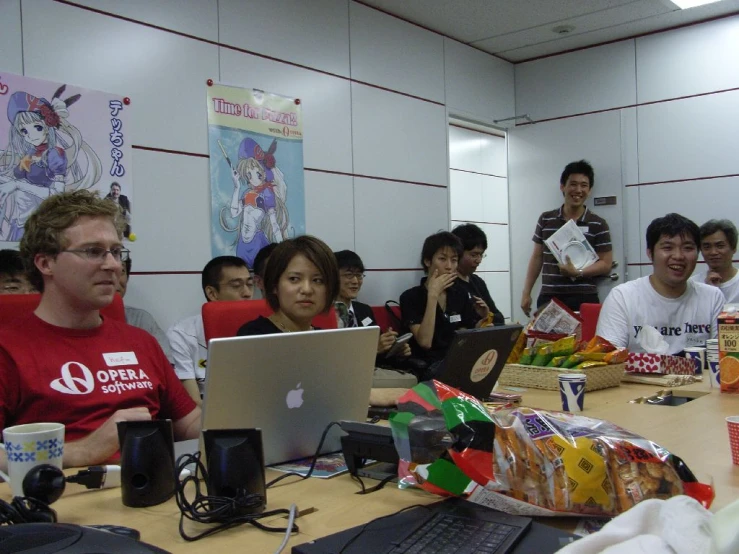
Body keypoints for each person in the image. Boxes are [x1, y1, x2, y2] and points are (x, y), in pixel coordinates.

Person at [0, 190, 199, 471]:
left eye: (116, 252)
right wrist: (83, 451)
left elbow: (188, 423)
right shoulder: (8, 350)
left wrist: (248, 415)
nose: (113, 265)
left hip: (155, 491)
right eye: (93, 251)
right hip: (65, 500)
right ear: (45, 263)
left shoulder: (140, 342)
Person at [596, 213, 724, 354]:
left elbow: (725, 358)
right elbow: (607, 359)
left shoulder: (713, 298)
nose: (678, 256)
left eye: (687, 248)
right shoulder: (623, 297)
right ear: (650, 253)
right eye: (667, 248)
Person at [0, 87, 101, 241]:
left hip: (43, 225)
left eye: (37, 127)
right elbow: (16, 177)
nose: (30, 135)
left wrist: (18, 185)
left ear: (47, 128)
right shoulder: (30, 155)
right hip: (22, 222)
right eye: (24, 131)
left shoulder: (55, 154)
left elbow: (56, 194)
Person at [520, 160, 612, 316]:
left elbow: (606, 263)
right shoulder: (546, 219)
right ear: (562, 186)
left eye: (584, 185)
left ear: (589, 190)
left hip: (585, 298)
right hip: (550, 296)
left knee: (583, 341)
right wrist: (526, 292)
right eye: (573, 184)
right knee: (547, 341)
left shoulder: (598, 223)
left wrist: (578, 272)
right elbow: (537, 257)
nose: (578, 190)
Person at [166, 256, 253, 404]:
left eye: (249, 284)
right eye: (236, 285)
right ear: (212, 293)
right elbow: (193, 402)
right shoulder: (181, 334)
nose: (247, 293)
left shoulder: (262, 327)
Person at [399, 231, 489, 372]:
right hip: (428, 365)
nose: (449, 266)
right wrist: (433, 296)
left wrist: (483, 318)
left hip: (456, 360)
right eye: (442, 259)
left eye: (454, 260)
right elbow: (425, 342)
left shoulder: (460, 294)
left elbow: (467, 333)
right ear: (428, 261)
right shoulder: (410, 297)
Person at [237, 235, 339, 335]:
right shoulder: (253, 337)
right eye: (294, 279)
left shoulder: (328, 340)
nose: (307, 290)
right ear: (274, 285)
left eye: (318, 280)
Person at [220, 138, 288, 268]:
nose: (253, 179)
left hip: (257, 244)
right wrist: (237, 186)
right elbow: (234, 213)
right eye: (249, 175)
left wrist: (283, 252)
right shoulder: (247, 194)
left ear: (263, 173)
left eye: (257, 173)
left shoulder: (267, 194)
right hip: (243, 244)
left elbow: (274, 225)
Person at [334, 249, 411, 359]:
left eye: (359, 275)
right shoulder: (324, 314)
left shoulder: (364, 310)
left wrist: (393, 349)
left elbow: (379, 351)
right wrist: (374, 350)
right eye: (349, 275)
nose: (356, 281)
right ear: (333, 277)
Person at [115, 255, 172, 363]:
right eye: (108, 271)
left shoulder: (141, 320)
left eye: (121, 271)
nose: (114, 278)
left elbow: (166, 368)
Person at [451, 224, 505, 325]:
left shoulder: (478, 282)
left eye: (481, 254)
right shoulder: (448, 283)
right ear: (457, 253)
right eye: (474, 255)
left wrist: (487, 315)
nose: (479, 260)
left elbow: (499, 317)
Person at [691, 219, 739, 304]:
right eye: (707, 247)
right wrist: (708, 291)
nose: (713, 252)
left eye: (720, 246)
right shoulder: (692, 285)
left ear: (733, 248)